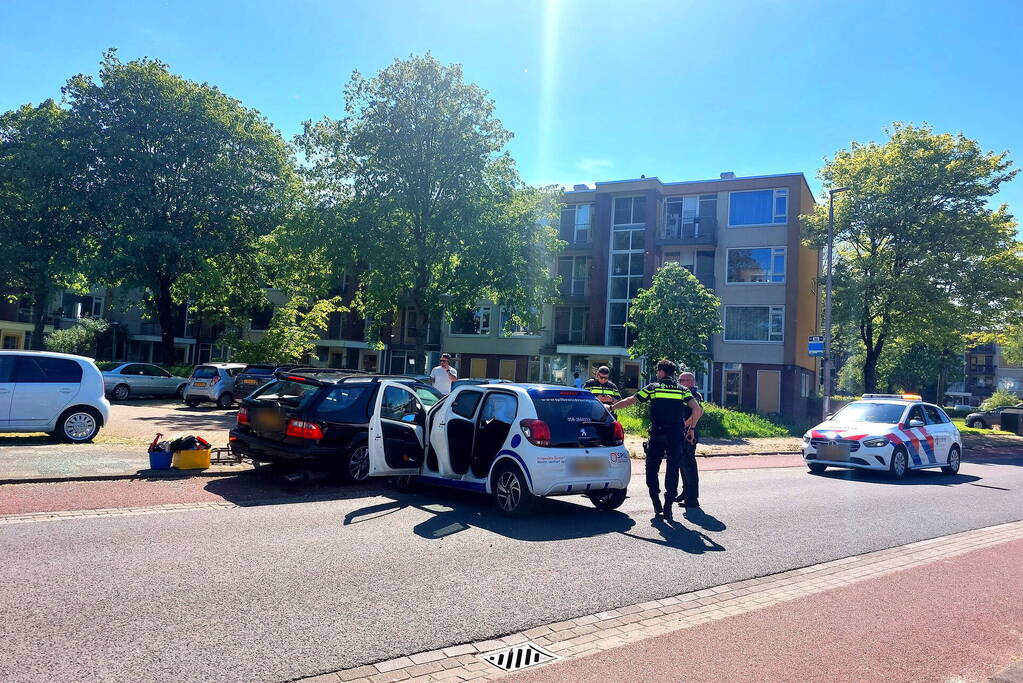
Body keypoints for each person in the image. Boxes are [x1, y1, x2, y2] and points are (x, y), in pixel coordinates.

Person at [611, 359, 702, 519]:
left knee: (652, 468)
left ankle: (656, 503)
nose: (656, 373)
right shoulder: (682, 390)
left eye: (657, 371)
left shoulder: (653, 388)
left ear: (661, 372)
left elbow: (631, 400)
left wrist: (611, 407)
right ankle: (668, 507)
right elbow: (697, 409)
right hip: (676, 434)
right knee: (673, 468)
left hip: (658, 433)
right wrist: (692, 429)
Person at [676, 371, 704, 508]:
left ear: (691, 381)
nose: (680, 383)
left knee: (689, 465)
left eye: (683, 380)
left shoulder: (694, 395)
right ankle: (686, 491)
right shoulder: (684, 393)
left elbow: (697, 413)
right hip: (682, 432)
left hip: (688, 433)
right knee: (682, 464)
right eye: (679, 380)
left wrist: (685, 426)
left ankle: (692, 498)